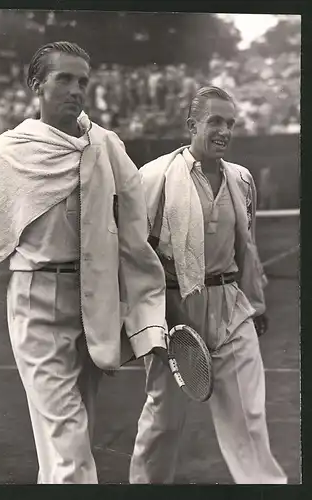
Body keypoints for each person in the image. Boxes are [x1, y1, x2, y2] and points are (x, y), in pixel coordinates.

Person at [0, 41, 168, 484]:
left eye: (83, 81)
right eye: (64, 79)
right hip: (35, 303)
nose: (77, 90)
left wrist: (139, 310)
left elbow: (134, 231)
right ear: (37, 85)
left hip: (93, 304)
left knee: (69, 440)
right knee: (68, 445)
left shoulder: (104, 144)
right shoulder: (9, 151)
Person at [129, 86, 287, 484]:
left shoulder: (242, 179)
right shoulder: (154, 177)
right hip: (175, 313)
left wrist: (257, 303)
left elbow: (246, 247)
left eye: (230, 124)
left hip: (232, 309)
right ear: (191, 125)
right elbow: (135, 255)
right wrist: (150, 322)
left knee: (249, 421)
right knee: (163, 422)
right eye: (215, 121)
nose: (224, 131)